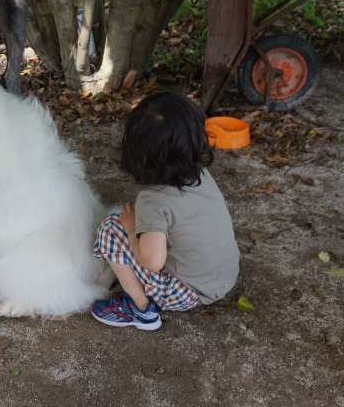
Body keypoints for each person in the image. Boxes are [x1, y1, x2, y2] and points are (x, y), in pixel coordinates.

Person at [91, 92, 240, 331]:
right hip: (224, 276)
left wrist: (130, 229)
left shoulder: (153, 201)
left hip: (188, 293)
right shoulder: (199, 174)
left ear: (138, 153)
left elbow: (151, 262)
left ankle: (142, 310)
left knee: (110, 228)